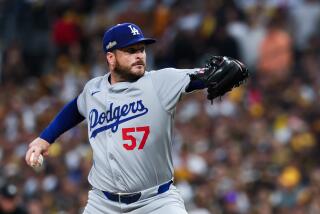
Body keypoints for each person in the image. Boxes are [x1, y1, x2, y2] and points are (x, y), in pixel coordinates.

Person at [25, 22, 248, 213]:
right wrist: (45, 138)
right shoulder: (94, 89)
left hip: (156, 201)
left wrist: (231, 67)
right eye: (131, 50)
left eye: (141, 49)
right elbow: (75, 108)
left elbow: (200, 76)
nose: (140, 55)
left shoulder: (161, 82)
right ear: (111, 58)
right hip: (103, 203)